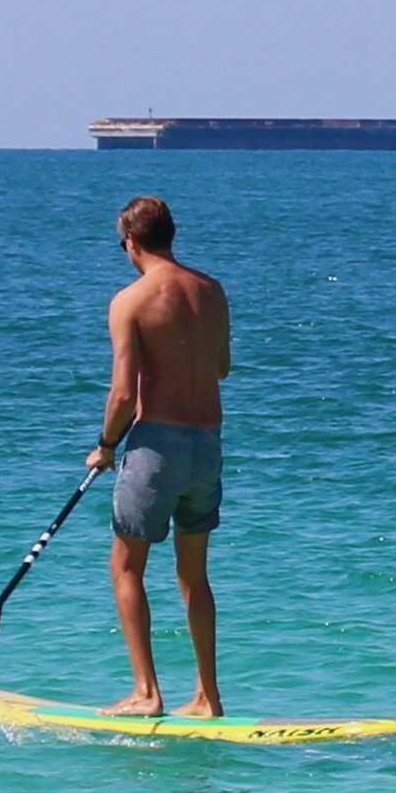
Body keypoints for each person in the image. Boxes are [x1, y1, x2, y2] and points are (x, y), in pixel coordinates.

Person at [87, 196, 230, 717]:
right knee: (194, 575)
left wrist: (105, 447)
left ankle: (147, 694)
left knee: (125, 565)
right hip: (208, 445)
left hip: (158, 448)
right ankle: (208, 697)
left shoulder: (130, 300)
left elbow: (123, 394)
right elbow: (222, 368)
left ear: (130, 242)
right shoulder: (212, 291)